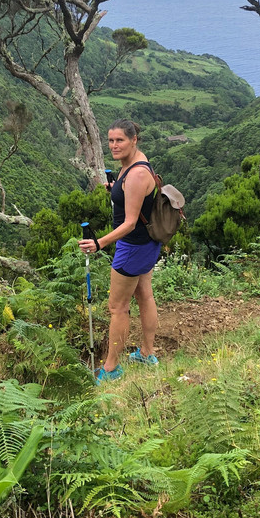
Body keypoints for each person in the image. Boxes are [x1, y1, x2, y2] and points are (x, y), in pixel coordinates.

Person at [79, 119, 161, 383]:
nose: (114, 145)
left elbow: (130, 222)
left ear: (134, 139)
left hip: (133, 246)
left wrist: (99, 242)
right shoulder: (135, 163)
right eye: (111, 140)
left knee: (117, 307)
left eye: (120, 140)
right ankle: (147, 353)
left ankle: (111, 369)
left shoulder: (136, 174)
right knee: (144, 295)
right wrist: (115, 190)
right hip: (147, 244)